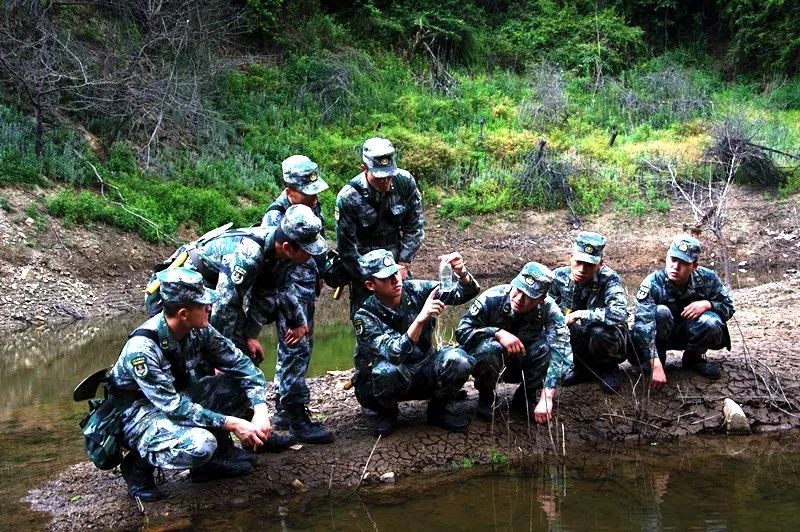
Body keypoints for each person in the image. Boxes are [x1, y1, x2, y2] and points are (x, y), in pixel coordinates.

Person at [110, 268, 278, 501]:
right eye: (203, 305)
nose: (210, 308)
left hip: (175, 400)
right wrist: (233, 424)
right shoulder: (142, 349)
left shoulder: (199, 329)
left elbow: (243, 366)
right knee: (201, 445)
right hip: (135, 414)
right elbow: (175, 408)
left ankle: (211, 463)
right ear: (183, 313)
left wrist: (260, 409)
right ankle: (138, 466)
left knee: (237, 386)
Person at [144, 205, 327, 366]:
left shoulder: (282, 251)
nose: (311, 257)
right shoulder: (247, 255)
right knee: (199, 362)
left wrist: (253, 334)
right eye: (308, 251)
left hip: (212, 292)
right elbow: (225, 306)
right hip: (176, 296)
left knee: (246, 360)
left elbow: (272, 291)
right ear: (287, 247)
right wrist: (219, 358)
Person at [352, 249, 480, 436]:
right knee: (386, 370)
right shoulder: (364, 317)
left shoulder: (416, 289)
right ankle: (388, 412)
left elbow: (465, 293)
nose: (396, 280)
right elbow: (394, 354)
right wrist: (420, 319)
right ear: (371, 285)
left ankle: (438, 410)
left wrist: (461, 273)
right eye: (387, 277)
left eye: (396, 273)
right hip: (388, 380)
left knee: (459, 359)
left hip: (423, 370)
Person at [260, 155, 332, 444]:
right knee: (294, 348)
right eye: (307, 193)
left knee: (299, 350)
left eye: (315, 192)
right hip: (288, 295)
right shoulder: (275, 218)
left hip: (306, 288)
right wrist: (292, 315)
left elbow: (317, 242)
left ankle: (285, 408)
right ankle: (294, 412)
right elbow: (274, 274)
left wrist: (322, 272)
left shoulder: (310, 206)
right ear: (290, 191)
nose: (314, 198)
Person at [456, 262, 573, 424]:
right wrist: (496, 333)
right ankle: (486, 396)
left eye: (529, 297)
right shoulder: (492, 297)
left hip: (522, 363)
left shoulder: (549, 308)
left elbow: (562, 350)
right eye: (518, 290)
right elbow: (462, 332)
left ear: (541, 299)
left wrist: (547, 397)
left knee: (545, 348)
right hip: (489, 362)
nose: (519, 299)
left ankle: (526, 396)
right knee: (490, 347)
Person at [335, 137, 424, 319]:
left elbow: (415, 226)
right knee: (368, 326)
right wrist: (371, 279)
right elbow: (347, 249)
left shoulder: (405, 183)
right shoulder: (349, 197)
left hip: (397, 263)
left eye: (389, 174)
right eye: (380, 176)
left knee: (409, 321)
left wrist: (403, 263)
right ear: (364, 169)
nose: (385, 181)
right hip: (365, 271)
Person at [631, 234, 735, 388]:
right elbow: (642, 326)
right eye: (673, 260)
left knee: (711, 321)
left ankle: (693, 359)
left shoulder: (707, 278)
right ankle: (658, 360)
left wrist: (708, 304)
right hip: (662, 336)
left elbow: (728, 307)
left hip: (689, 333)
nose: (675, 266)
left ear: (694, 266)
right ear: (667, 258)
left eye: (683, 263)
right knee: (661, 312)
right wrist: (655, 363)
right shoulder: (652, 283)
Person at [548, 232, 628, 393]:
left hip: (608, 338)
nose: (582, 269)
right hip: (577, 337)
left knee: (598, 331)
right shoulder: (558, 277)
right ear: (571, 258)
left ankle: (609, 368)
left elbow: (619, 313)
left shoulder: (609, 279)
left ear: (600, 264)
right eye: (578, 262)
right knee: (561, 326)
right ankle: (581, 368)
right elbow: (543, 307)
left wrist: (580, 314)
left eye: (589, 265)